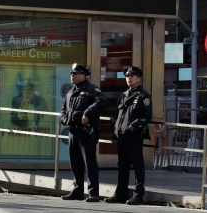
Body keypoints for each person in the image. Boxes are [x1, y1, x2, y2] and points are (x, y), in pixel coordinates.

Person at [60, 63, 108, 202]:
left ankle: (93, 193)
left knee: (90, 163)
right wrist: (64, 119)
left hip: (86, 132)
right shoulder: (71, 91)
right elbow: (63, 110)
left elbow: (102, 102)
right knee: (75, 163)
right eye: (71, 73)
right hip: (73, 131)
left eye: (75, 73)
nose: (72, 76)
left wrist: (87, 113)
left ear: (83, 75)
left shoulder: (91, 89)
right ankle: (77, 191)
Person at [105, 66, 152, 206]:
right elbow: (116, 114)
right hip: (121, 137)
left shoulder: (143, 96)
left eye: (132, 76)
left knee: (137, 166)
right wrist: (114, 126)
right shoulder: (123, 95)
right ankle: (120, 194)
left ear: (138, 78)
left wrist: (134, 126)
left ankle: (138, 195)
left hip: (134, 136)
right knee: (122, 166)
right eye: (127, 76)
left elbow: (146, 116)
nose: (129, 78)